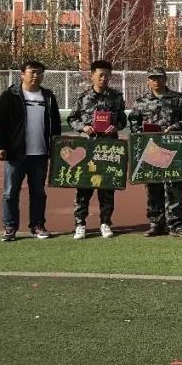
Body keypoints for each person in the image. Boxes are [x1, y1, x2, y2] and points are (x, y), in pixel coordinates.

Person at [0, 59, 62, 241]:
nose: (36, 75)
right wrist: (0, 146)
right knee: (10, 192)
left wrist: (55, 146)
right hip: (16, 153)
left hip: (40, 154)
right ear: (22, 74)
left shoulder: (48, 96)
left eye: (39, 72)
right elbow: (0, 123)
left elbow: (55, 124)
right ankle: (10, 227)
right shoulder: (10, 95)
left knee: (38, 192)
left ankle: (37, 225)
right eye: (32, 72)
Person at [128, 67, 182, 238]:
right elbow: (134, 122)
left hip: (173, 149)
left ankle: (177, 225)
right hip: (151, 149)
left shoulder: (177, 98)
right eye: (152, 78)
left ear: (165, 79)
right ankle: (156, 223)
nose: (156, 81)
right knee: (153, 186)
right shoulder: (141, 101)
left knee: (174, 187)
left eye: (159, 78)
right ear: (148, 81)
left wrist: (175, 127)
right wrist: (142, 133)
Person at [68, 59, 127, 239]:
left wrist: (116, 127)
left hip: (108, 148)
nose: (104, 79)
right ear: (92, 76)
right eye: (100, 75)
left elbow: (122, 120)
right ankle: (80, 224)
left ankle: (105, 222)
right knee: (83, 186)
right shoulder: (83, 97)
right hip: (87, 147)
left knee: (107, 186)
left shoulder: (116, 97)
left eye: (107, 75)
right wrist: (83, 127)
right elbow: (72, 119)